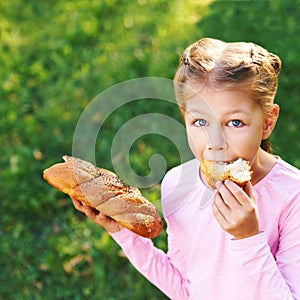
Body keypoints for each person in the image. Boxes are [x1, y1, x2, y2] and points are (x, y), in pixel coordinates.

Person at [72, 38, 300, 299]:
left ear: (268, 122)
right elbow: (184, 288)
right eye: (201, 121)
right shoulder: (178, 183)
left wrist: (248, 238)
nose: (216, 142)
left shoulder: (293, 197)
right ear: (185, 117)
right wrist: (122, 231)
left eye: (235, 123)